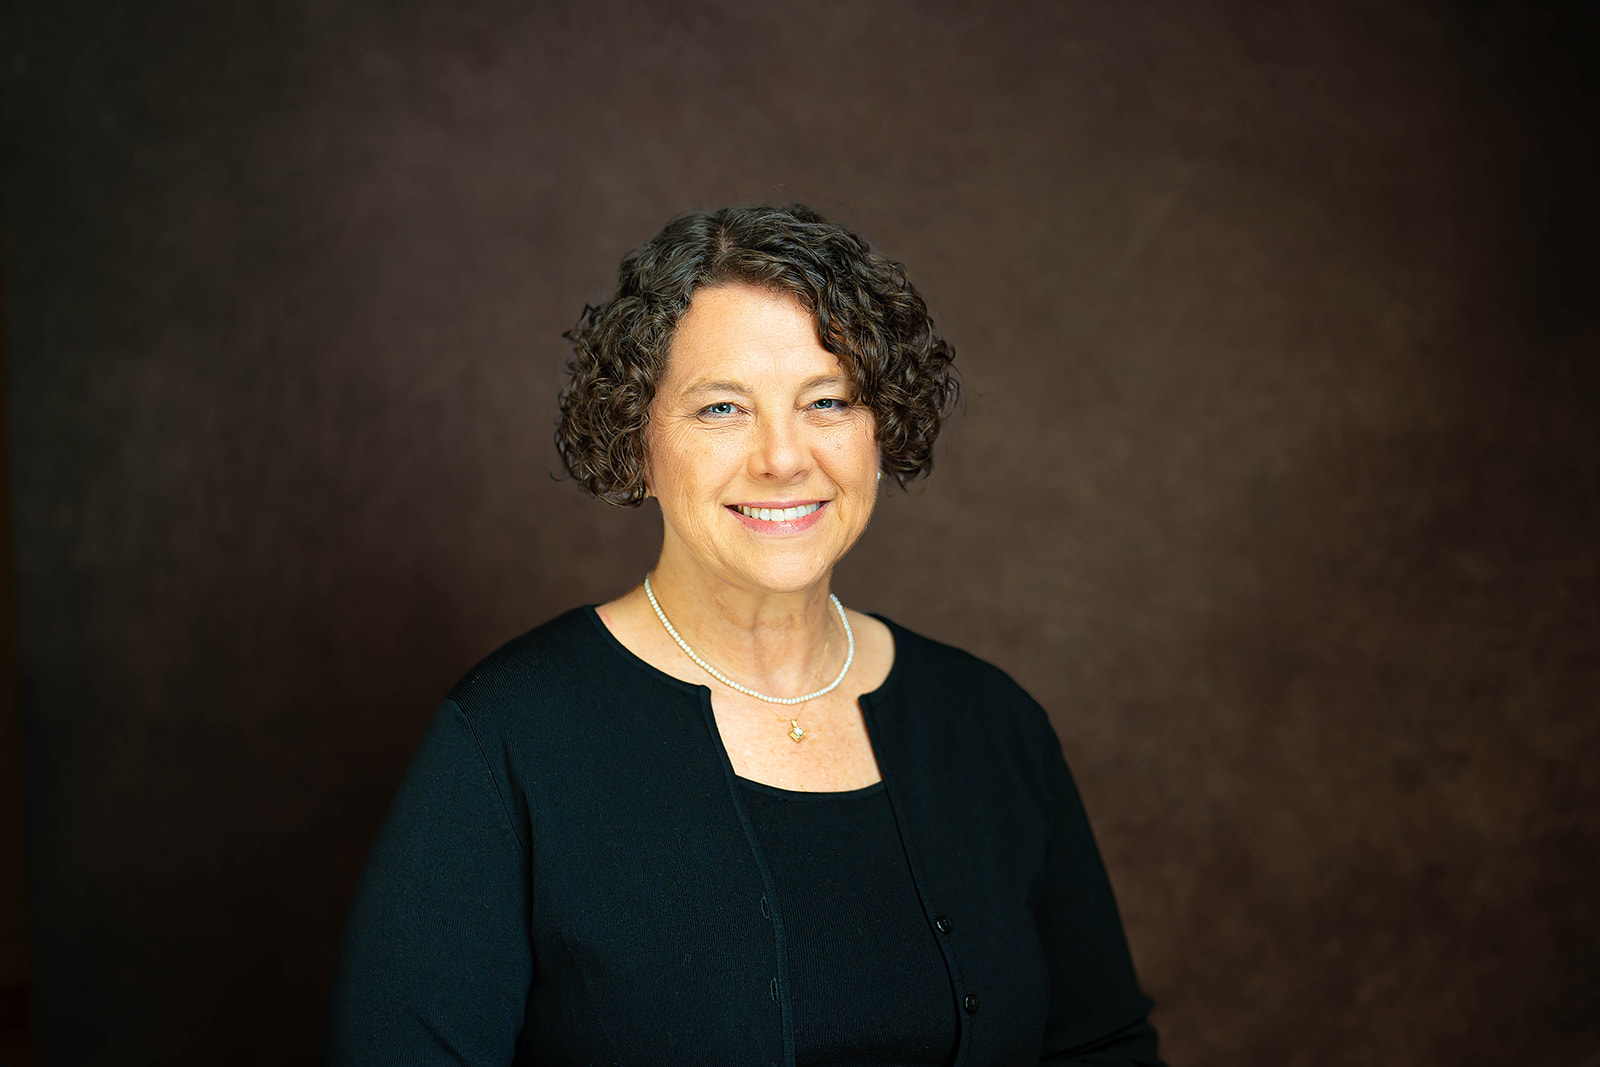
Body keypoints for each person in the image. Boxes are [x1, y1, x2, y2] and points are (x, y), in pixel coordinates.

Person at [322, 205, 1164, 1066]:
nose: (783, 457)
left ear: (881, 430)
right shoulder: (508, 738)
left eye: (827, 401)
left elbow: (1102, 1047)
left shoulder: (991, 723)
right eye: (723, 407)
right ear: (637, 437)